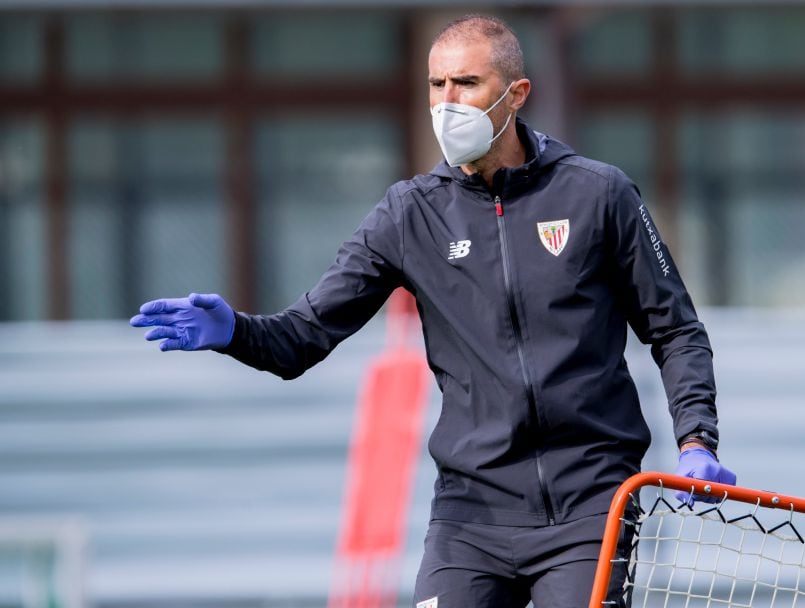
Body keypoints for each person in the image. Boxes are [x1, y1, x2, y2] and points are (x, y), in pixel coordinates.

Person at [130, 14, 734, 608]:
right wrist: (234, 330)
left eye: (467, 84)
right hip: (470, 516)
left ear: (516, 94)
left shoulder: (599, 193)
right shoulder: (408, 214)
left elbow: (675, 329)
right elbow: (301, 339)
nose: (448, 101)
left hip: (590, 508)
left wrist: (695, 438)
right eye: (436, 85)